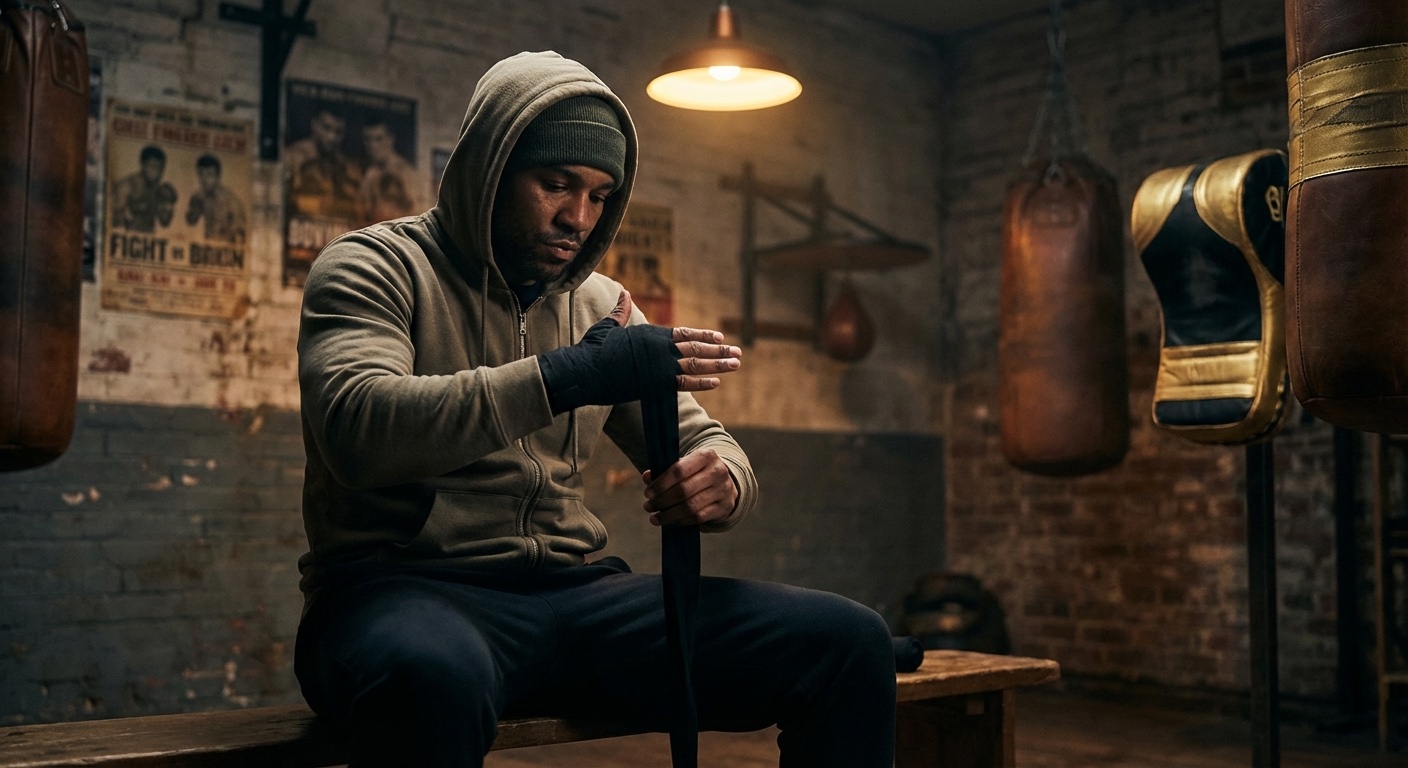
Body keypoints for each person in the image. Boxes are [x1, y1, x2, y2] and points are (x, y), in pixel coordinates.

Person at [294, 51, 896, 767]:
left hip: (571, 597)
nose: (577, 217)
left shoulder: (599, 305)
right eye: (555, 184)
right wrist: (566, 374)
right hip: (403, 591)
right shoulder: (373, 268)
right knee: (431, 674)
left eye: (600, 196)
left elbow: (706, 437)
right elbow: (358, 428)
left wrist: (722, 480)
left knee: (848, 641)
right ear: (491, 167)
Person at [285, 107, 361, 218]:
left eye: (338, 131)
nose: (332, 137)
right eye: (326, 128)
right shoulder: (294, 157)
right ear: (314, 125)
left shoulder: (343, 165)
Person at [355, 120, 418, 224]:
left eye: (378, 139)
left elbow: (417, 213)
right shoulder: (370, 174)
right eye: (368, 140)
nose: (373, 145)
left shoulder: (407, 174)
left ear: (390, 139)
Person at [110, 144, 176, 232]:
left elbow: (165, 222)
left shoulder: (159, 190)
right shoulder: (127, 186)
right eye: (152, 166)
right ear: (143, 165)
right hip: (125, 237)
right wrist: (130, 212)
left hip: (147, 238)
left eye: (160, 168)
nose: (156, 172)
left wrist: (168, 206)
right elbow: (113, 221)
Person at [185, 154, 248, 243]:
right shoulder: (200, 196)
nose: (204, 179)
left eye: (209, 175)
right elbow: (191, 222)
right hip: (208, 246)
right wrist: (194, 208)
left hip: (226, 248)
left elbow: (241, 234)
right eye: (201, 174)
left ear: (218, 176)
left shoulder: (231, 201)